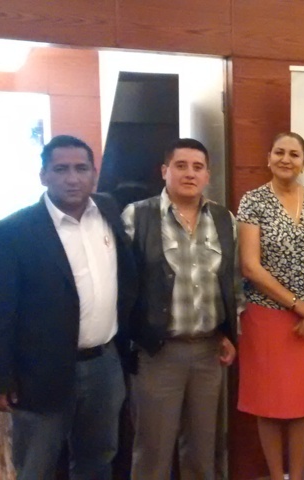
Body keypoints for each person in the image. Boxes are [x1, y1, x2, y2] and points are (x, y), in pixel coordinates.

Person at [0, 135, 137, 479]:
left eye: (81, 169)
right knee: (37, 465)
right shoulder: (14, 231)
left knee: (98, 460)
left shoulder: (108, 210)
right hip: (40, 371)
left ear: (94, 174)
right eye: (61, 169)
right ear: (43, 175)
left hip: (104, 366)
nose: (72, 178)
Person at [123, 138, 239, 480]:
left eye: (198, 167)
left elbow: (233, 282)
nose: (190, 173)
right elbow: (123, 286)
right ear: (165, 171)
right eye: (181, 166)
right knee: (153, 453)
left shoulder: (224, 219)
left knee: (204, 452)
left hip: (208, 353)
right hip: (157, 353)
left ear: (207, 175)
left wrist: (228, 333)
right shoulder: (137, 216)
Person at [236, 132, 304, 480]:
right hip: (266, 318)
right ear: (268, 158)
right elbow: (250, 266)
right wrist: (298, 305)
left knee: (302, 405)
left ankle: (297, 475)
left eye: (294, 154)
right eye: (279, 152)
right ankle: (276, 476)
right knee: (268, 406)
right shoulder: (253, 201)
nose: (286, 159)